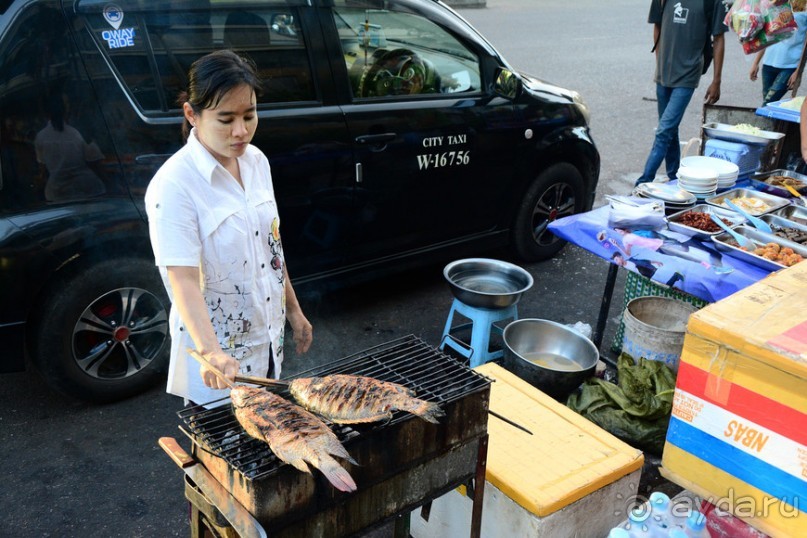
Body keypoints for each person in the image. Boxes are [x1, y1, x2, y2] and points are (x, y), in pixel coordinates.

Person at [145, 50, 313, 405]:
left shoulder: (256, 162)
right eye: (226, 119)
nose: (241, 131)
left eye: (249, 115)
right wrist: (211, 351)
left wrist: (294, 310)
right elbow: (183, 279)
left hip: (265, 341)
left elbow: (272, 249)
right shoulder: (174, 184)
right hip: (220, 365)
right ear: (192, 114)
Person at [635, 1, 728, 186]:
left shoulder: (712, 2)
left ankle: (643, 182)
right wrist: (660, 62)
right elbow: (657, 26)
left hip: (688, 74)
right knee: (670, 129)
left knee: (663, 131)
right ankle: (674, 177)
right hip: (663, 75)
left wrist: (716, 80)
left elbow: (718, 39)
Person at [34, 93, 106, 202]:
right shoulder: (78, 131)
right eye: (67, 104)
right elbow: (96, 163)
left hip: (56, 194)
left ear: (45, 112)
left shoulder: (40, 137)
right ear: (65, 109)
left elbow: (42, 168)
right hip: (89, 190)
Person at [749, 0, 807, 105]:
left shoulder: (805, 6)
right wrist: (756, 62)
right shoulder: (775, 3)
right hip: (768, 63)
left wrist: (798, 71)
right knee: (769, 105)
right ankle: (774, 122)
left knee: (768, 103)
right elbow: (768, 35)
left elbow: (806, 45)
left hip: (790, 66)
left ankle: (757, 121)